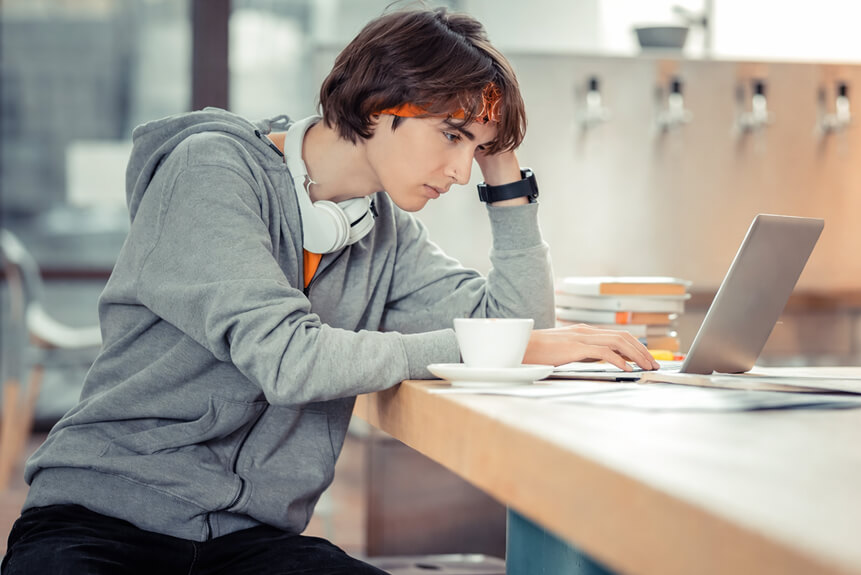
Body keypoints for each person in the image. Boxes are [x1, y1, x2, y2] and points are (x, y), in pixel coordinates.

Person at [2, 6, 658, 574]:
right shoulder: (211, 173)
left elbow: (516, 327)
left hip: (248, 544)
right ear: (379, 105)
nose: (462, 171)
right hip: (101, 522)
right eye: (453, 136)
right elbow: (292, 360)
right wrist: (508, 348)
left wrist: (505, 169)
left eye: (475, 149)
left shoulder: (384, 234)